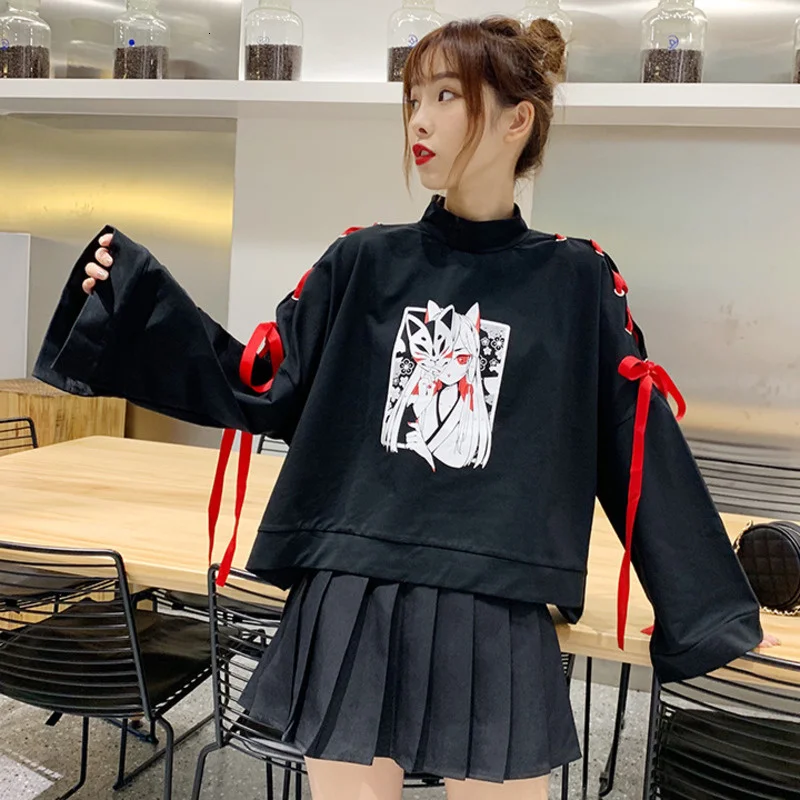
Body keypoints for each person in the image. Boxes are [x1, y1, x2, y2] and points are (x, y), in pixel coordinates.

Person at [34, 16, 777, 800]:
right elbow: (263, 380)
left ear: (518, 121)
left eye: (446, 96)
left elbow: (636, 443)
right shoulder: (363, 261)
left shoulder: (577, 281)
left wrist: (708, 608)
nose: (418, 120)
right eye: (413, 98)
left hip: (494, 599)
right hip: (353, 589)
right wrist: (129, 302)